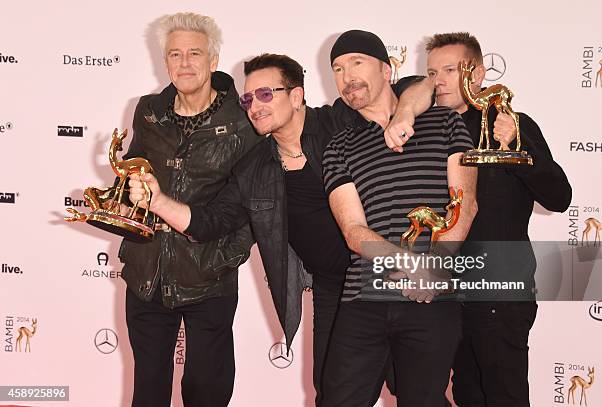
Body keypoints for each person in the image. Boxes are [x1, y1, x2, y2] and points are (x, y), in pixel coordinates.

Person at [128, 52, 433, 405]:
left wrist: (406, 112)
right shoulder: (254, 168)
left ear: (297, 96)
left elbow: (420, 86)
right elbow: (212, 222)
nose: (254, 105)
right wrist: (158, 201)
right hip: (335, 290)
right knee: (334, 395)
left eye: (266, 94)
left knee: (417, 392)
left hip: (391, 275)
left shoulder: (337, 123)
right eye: (247, 98)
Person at [320, 30, 478, 407]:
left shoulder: (445, 124)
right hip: (363, 299)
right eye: (338, 69)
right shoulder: (338, 147)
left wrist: (435, 270)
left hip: (431, 301)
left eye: (357, 63)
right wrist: (413, 266)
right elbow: (354, 232)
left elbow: (465, 203)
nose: (346, 76)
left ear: (387, 70)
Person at [117, 12, 260, 407]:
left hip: (209, 276)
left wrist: (227, 257)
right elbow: (134, 168)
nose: (184, 64)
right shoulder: (148, 110)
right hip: (147, 275)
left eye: (194, 53)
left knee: (206, 391)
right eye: (175, 54)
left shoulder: (243, 120)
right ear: (164, 61)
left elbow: (249, 201)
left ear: (214, 60)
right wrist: (127, 193)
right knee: (147, 391)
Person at [423, 32, 572, 407]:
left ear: (477, 74)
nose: (438, 79)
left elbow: (559, 197)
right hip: (447, 292)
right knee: (466, 394)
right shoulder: (428, 133)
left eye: (450, 69)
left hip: (501, 290)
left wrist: (518, 147)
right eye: (431, 71)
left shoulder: (510, 123)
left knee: (504, 395)